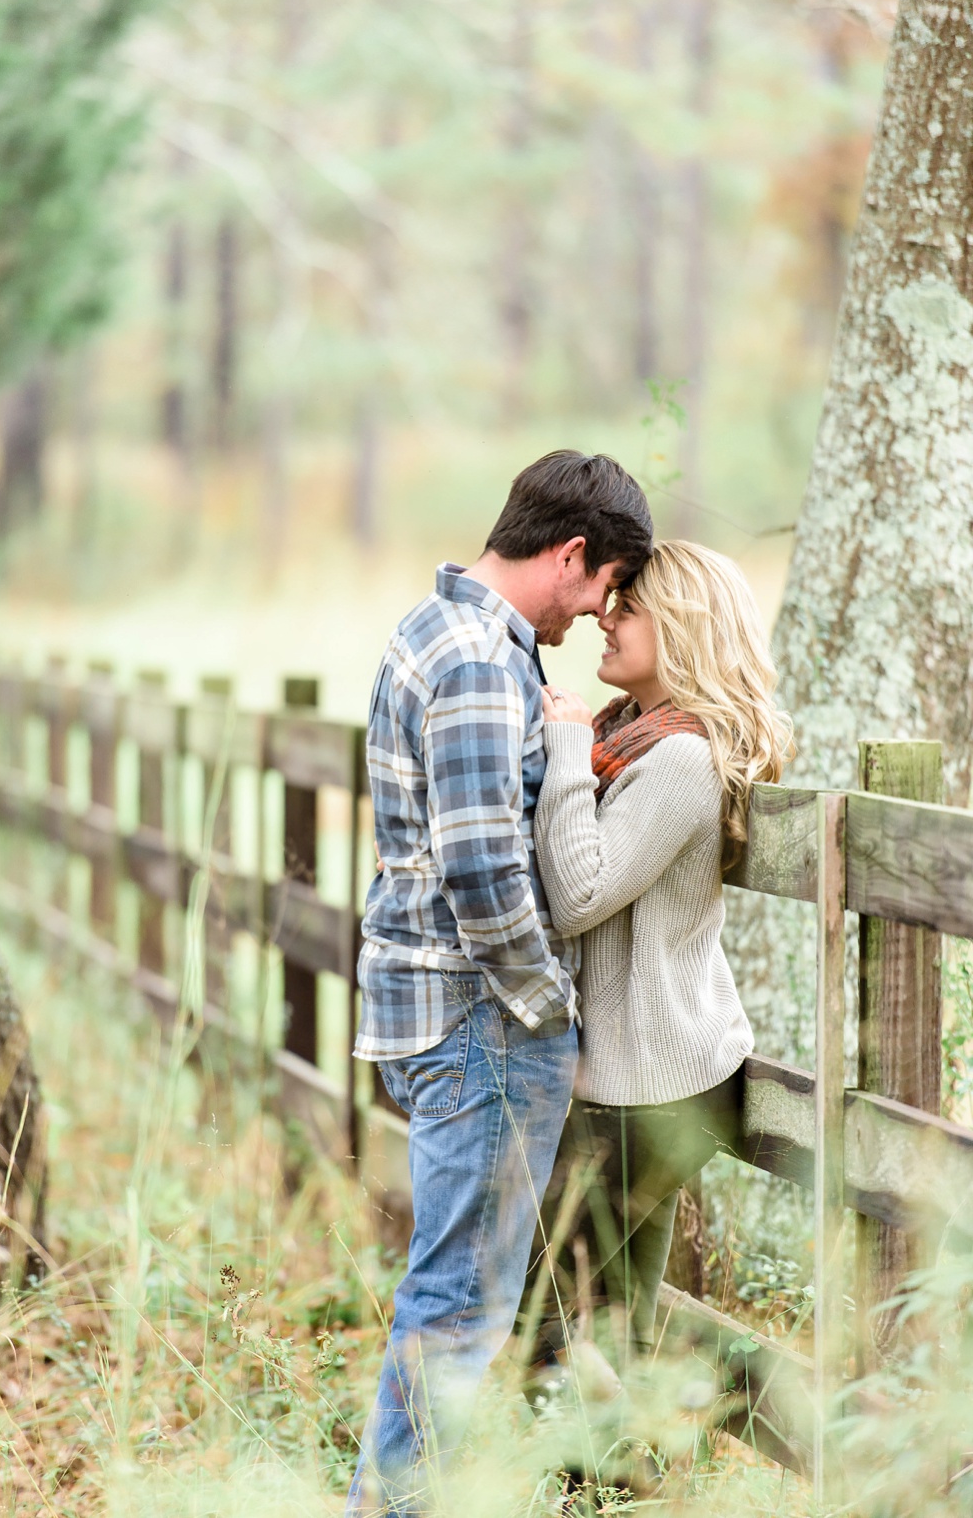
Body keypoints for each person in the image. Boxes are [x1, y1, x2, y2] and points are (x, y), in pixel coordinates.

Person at [348, 450, 653, 1515]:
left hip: (436, 1014)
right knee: (456, 1317)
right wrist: (549, 1013)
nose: (597, 611)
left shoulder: (432, 631)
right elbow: (480, 869)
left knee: (455, 1308)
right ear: (569, 555)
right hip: (481, 1024)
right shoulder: (482, 660)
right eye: (603, 585)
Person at [527, 540, 788, 1371]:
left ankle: (815, 1431)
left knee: (533, 1308)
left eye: (627, 607)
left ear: (681, 627)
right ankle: (611, 1494)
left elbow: (576, 897)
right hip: (632, 1080)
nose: (604, 615)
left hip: (657, 1091)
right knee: (614, 1328)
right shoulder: (630, 739)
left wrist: (564, 750)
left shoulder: (676, 759)